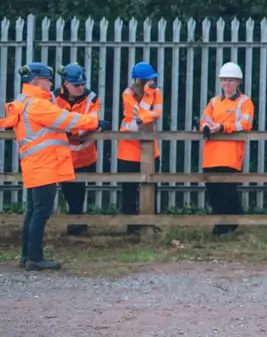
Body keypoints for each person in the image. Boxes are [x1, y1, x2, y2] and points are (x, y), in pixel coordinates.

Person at [0, 62, 108, 270]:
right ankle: (35, 258)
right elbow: (66, 120)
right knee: (41, 212)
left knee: (34, 210)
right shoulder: (38, 105)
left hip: (36, 163)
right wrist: (94, 122)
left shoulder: (27, 101)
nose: (51, 84)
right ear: (37, 81)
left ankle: (27, 256)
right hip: (44, 163)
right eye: (48, 80)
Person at [198, 61, 254, 235]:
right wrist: (206, 128)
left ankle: (224, 225)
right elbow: (204, 120)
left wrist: (222, 127)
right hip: (211, 154)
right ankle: (229, 221)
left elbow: (245, 123)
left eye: (231, 80)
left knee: (227, 190)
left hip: (230, 155)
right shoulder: (214, 102)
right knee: (213, 190)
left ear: (238, 82)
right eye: (224, 80)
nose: (227, 84)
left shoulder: (245, 102)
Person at [55, 63, 102, 235]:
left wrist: (69, 127)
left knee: (80, 190)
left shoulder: (92, 98)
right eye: (76, 85)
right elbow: (52, 123)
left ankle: (77, 224)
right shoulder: (53, 98)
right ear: (65, 83)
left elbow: (89, 125)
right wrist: (79, 124)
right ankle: (75, 223)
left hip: (84, 155)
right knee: (67, 190)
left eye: (83, 84)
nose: (81, 88)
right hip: (63, 155)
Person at [118, 61, 162, 223]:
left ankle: (149, 223)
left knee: (151, 186)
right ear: (140, 81)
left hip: (150, 148)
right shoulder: (127, 93)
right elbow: (138, 114)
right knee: (129, 189)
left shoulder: (156, 92)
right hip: (128, 149)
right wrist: (148, 97)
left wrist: (143, 117)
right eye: (149, 80)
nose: (153, 83)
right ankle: (130, 225)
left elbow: (157, 113)